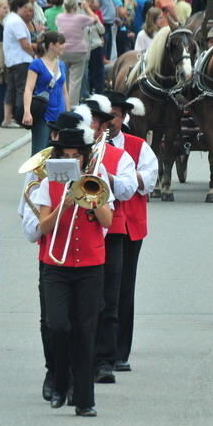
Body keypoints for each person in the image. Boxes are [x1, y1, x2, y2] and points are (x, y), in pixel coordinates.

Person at [33, 124, 114, 416]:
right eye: (66, 155)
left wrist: (91, 198)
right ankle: (60, 380)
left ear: (84, 156)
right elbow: (43, 227)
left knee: (85, 331)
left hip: (91, 266)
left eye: (76, 156)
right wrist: (64, 206)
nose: (72, 160)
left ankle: (84, 400)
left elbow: (107, 222)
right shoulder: (49, 182)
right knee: (57, 325)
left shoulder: (97, 177)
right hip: (56, 265)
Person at [77, 95, 138, 384]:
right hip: (69, 233)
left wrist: (105, 178)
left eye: (95, 122)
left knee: (109, 300)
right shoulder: (62, 154)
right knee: (77, 303)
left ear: (102, 127)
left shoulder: (118, 155)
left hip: (109, 233)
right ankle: (72, 360)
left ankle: (104, 360)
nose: (91, 127)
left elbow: (128, 189)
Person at [102, 91, 157, 372]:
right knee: (100, 290)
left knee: (124, 289)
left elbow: (149, 179)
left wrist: (125, 177)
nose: (110, 121)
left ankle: (120, 351)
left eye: (115, 115)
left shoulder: (137, 146)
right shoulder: (92, 144)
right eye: (106, 116)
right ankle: (100, 349)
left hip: (130, 225)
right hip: (100, 225)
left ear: (123, 118)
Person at [23, 31, 69, 153]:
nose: (64, 46)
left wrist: (67, 113)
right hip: (43, 115)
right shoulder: (36, 64)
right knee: (39, 153)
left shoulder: (62, 65)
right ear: (51, 45)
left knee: (58, 153)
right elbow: (28, 89)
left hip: (59, 115)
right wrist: (27, 112)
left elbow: (65, 92)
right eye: (61, 43)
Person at [56, 0, 99, 103]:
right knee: (75, 81)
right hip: (78, 51)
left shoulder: (59, 17)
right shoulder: (80, 18)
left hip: (63, 50)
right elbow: (95, 20)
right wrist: (87, 8)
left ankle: (62, 103)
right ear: (76, 6)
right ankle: (72, 106)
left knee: (63, 79)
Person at [2, 0, 36, 128]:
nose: (27, 11)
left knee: (11, 89)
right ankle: (20, 117)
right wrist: (34, 55)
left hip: (12, 59)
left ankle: (7, 118)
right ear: (19, 8)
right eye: (25, 8)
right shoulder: (17, 22)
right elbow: (24, 44)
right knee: (22, 89)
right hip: (21, 59)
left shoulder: (10, 19)